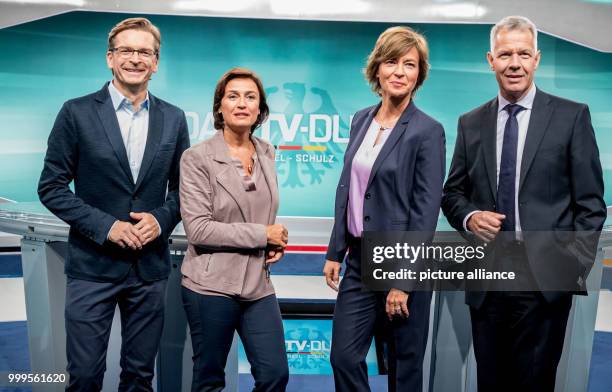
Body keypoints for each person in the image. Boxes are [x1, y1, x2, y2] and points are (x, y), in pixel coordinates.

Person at [441, 15, 606, 392]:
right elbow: (452, 194)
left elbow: (591, 204)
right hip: (488, 281)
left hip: (546, 283)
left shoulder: (571, 116)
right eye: (505, 54)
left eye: (523, 54)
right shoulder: (471, 123)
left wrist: (571, 266)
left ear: (537, 59)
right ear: (490, 60)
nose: (514, 63)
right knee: (491, 383)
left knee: (536, 383)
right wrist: (469, 217)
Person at [37, 17, 190, 391]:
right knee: (85, 376)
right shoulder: (76, 112)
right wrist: (107, 227)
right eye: (126, 50)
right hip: (92, 267)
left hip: (149, 270)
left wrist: (160, 219)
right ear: (110, 58)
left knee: (139, 378)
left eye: (144, 52)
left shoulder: (174, 118)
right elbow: (52, 186)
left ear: (155, 62)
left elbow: (184, 190)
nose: (135, 58)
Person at [323, 26, 445, 392]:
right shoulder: (361, 118)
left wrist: (403, 282)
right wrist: (336, 250)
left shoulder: (427, 130)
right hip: (359, 261)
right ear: (377, 68)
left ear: (419, 74)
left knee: (403, 369)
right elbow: (350, 188)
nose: (399, 72)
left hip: (402, 260)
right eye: (392, 62)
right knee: (343, 357)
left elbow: (426, 211)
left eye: (410, 64)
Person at [179, 67, 289, 392]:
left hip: (258, 285)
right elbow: (198, 229)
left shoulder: (267, 152)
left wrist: (272, 241)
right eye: (233, 96)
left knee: (274, 375)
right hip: (210, 285)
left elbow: (261, 212)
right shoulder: (196, 158)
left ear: (260, 109)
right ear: (220, 107)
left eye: (250, 97)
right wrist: (262, 235)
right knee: (210, 380)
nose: (242, 103)